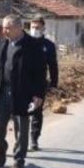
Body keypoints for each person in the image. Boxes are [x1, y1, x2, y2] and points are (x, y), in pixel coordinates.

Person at [0, 15, 47, 168]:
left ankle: (19, 160)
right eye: (3, 27)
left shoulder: (32, 46)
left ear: (19, 27)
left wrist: (38, 94)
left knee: (21, 128)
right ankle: (2, 149)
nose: (4, 31)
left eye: (8, 28)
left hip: (23, 92)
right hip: (3, 91)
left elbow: (40, 73)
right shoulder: (3, 43)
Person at [27, 16, 59, 151]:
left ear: (43, 28)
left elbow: (53, 66)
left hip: (39, 83)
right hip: (23, 82)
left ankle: (34, 139)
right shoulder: (24, 42)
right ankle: (21, 139)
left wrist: (53, 84)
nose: (35, 30)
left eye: (37, 27)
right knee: (22, 111)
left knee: (36, 111)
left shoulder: (48, 45)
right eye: (32, 27)